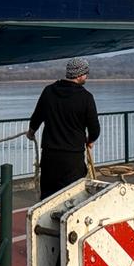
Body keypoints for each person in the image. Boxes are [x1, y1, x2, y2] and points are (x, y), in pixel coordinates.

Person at [27, 58, 101, 197]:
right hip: (72, 157)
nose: (87, 76)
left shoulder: (49, 91)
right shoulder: (86, 97)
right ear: (79, 75)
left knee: (48, 196)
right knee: (73, 196)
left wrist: (31, 132)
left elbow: (37, 116)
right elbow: (94, 129)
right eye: (86, 73)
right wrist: (90, 140)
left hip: (50, 155)